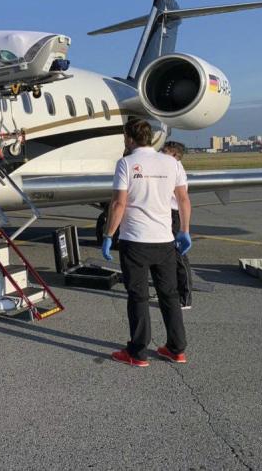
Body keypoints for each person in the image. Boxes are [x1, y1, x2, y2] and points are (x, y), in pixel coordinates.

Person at [101, 119, 192, 367]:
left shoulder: (126, 163)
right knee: (169, 295)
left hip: (135, 241)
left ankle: (138, 352)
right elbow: (183, 199)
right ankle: (176, 349)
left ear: (130, 139)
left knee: (138, 297)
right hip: (164, 241)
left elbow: (119, 203)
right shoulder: (171, 162)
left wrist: (109, 235)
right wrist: (184, 230)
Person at [161, 141, 193, 309]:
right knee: (167, 256)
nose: (160, 153)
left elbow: (183, 199)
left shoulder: (176, 168)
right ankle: (172, 291)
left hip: (174, 215)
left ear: (174, 155)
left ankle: (185, 297)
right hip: (166, 214)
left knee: (178, 256)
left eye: (164, 151)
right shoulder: (168, 167)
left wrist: (184, 229)